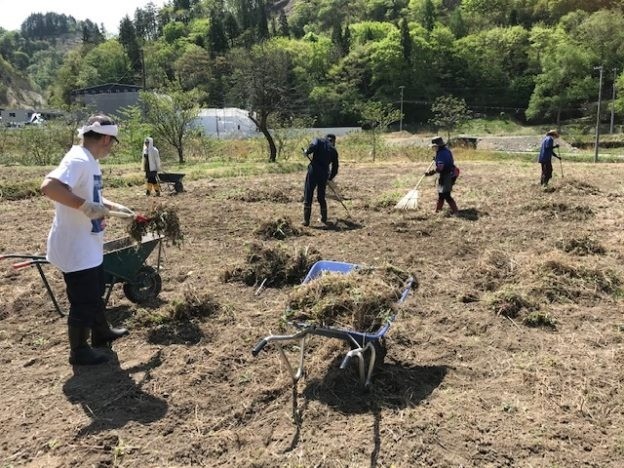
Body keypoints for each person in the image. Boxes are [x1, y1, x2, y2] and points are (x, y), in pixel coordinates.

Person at [40, 114, 133, 366]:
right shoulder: (78, 159)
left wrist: (115, 206)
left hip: (88, 243)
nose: (111, 147)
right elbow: (49, 187)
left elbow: (92, 196)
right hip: (75, 246)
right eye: (112, 142)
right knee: (83, 300)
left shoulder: (89, 160)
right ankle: (79, 351)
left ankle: (101, 332)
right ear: (105, 138)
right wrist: (84, 206)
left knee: (96, 288)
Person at [302, 133, 339, 226]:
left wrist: (306, 152)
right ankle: (324, 218)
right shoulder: (334, 151)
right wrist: (329, 178)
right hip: (324, 174)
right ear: (333, 141)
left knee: (308, 193)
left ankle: (306, 221)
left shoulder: (318, 140)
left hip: (313, 171)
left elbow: (311, 148)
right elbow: (335, 168)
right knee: (321, 196)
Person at [425, 136, 459, 215]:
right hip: (450, 174)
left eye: (434, 146)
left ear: (438, 146)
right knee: (441, 194)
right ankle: (438, 211)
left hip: (447, 175)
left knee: (446, 194)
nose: (433, 148)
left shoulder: (441, 154)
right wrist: (436, 159)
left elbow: (440, 167)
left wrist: (431, 173)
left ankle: (456, 211)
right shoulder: (446, 151)